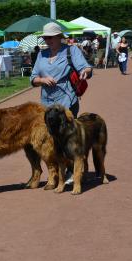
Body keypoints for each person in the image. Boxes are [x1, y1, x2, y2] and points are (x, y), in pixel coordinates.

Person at [30, 22, 92, 185]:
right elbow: (33, 78)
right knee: (51, 139)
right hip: (47, 106)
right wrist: (42, 79)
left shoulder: (71, 50)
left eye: (51, 37)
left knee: (68, 138)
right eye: (45, 37)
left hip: (67, 101)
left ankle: (74, 170)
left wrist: (85, 71)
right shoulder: (41, 55)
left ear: (59, 37)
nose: (47, 40)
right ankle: (57, 171)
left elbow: (85, 68)